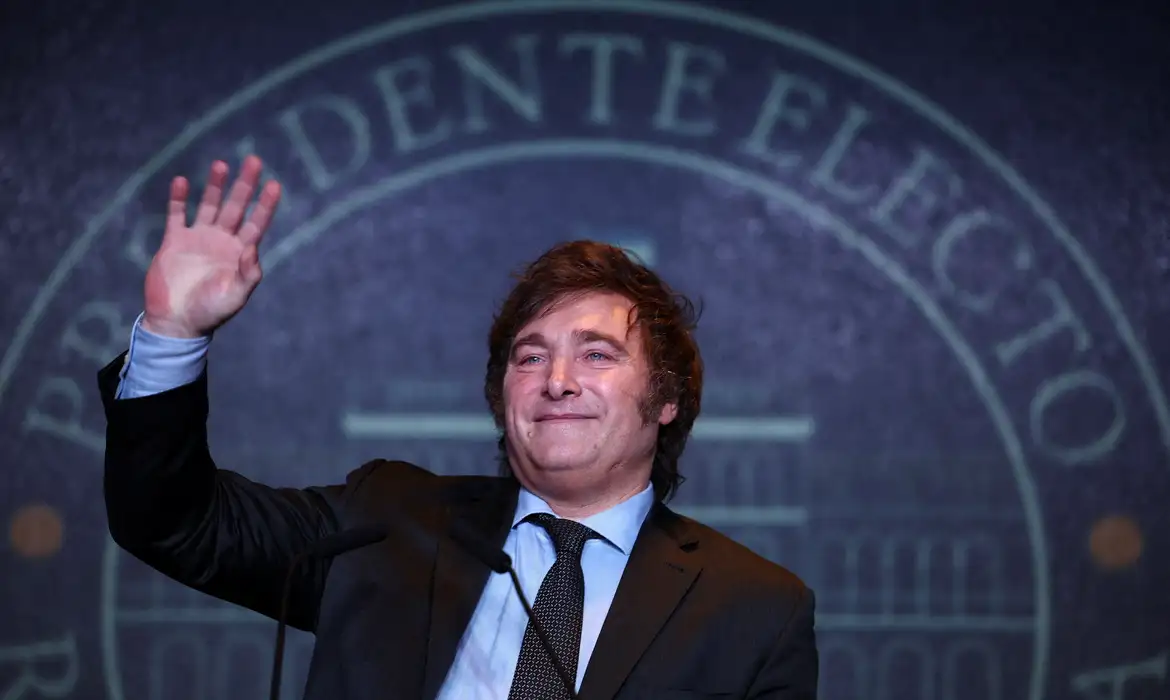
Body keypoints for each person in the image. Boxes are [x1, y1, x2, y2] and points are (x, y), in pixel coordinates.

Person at [98, 155, 818, 700]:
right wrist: (172, 333)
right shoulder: (387, 522)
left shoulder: (755, 608)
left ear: (667, 400)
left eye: (597, 355)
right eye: (530, 357)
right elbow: (173, 523)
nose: (557, 379)